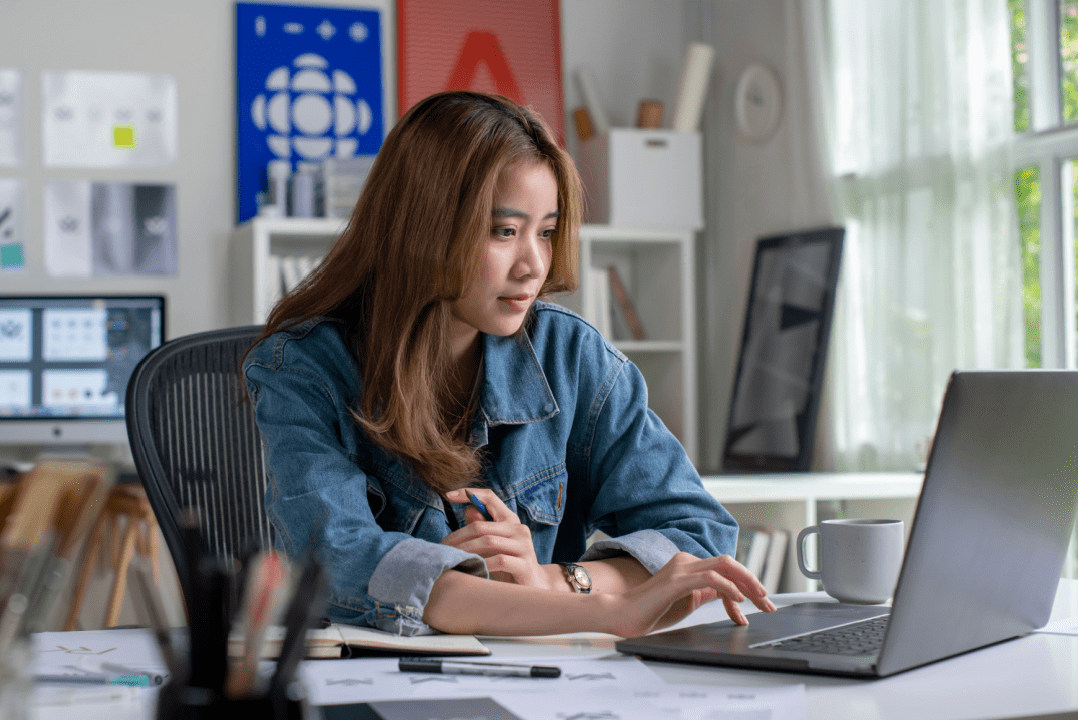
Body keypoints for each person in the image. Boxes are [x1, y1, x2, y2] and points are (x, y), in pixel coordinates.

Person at [242, 90, 776, 638]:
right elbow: (343, 563)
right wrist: (604, 611)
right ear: (422, 227)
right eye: (504, 231)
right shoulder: (301, 368)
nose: (534, 267)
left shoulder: (570, 356)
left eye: (545, 232)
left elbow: (698, 533)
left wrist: (552, 582)